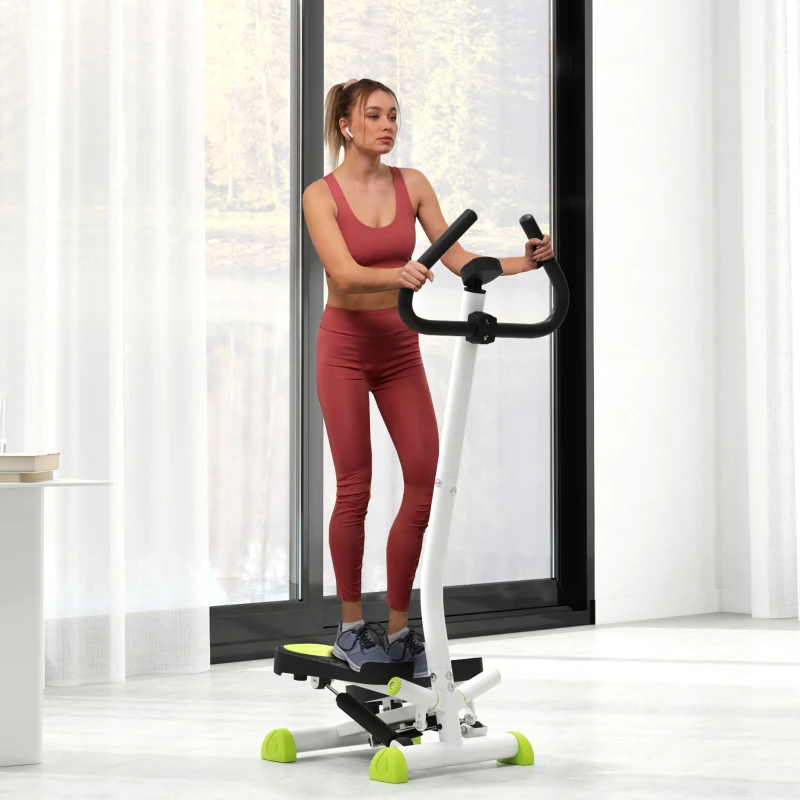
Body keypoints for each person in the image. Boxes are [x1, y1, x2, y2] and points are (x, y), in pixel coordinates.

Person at [302, 78, 553, 678]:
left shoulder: (412, 184)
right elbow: (341, 272)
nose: (388, 125)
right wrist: (401, 274)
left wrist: (526, 261)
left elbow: (458, 258)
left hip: (398, 348)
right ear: (346, 124)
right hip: (343, 348)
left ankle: (396, 629)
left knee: (423, 478)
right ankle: (349, 627)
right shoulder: (321, 195)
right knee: (354, 488)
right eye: (374, 115)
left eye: (393, 115)